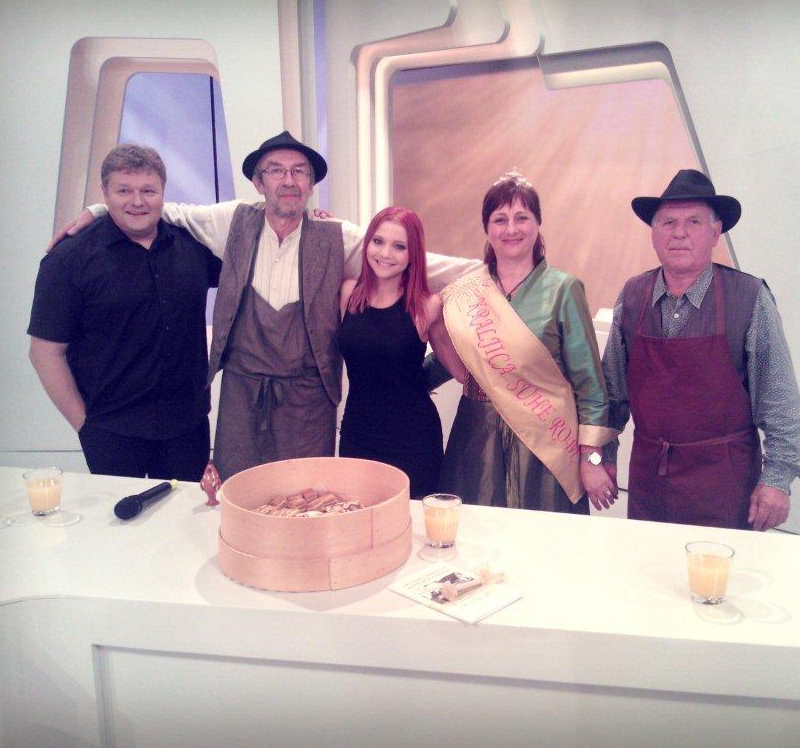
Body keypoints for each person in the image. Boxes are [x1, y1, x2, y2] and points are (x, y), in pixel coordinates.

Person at [55, 131, 476, 480]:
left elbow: (419, 261)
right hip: (242, 395)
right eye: (275, 170)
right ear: (258, 182)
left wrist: (494, 271)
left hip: (309, 399)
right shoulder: (230, 220)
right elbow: (165, 210)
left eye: (299, 171)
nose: (288, 180)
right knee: (239, 496)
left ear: (310, 184)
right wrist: (99, 209)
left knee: (308, 497)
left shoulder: (337, 236)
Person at [601, 169, 800, 531]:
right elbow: (611, 393)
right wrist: (600, 454)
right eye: (668, 222)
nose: (679, 232)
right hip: (649, 479)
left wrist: (778, 478)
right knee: (648, 564)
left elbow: (780, 399)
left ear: (715, 233)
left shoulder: (749, 299)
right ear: (653, 234)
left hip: (725, 484)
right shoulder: (633, 296)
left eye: (694, 221)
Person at [28, 144, 221, 481]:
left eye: (148, 191)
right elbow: (45, 352)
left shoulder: (195, 246)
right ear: (105, 193)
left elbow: (254, 245)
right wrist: (85, 425)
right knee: (120, 516)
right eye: (124, 191)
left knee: (183, 514)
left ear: (163, 192)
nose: (137, 201)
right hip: (112, 430)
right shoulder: (68, 259)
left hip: (187, 425)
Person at [437, 172, 619, 514]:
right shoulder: (467, 293)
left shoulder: (563, 290)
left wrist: (592, 458)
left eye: (522, 217)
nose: (511, 229)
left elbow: (590, 386)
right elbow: (445, 362)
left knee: (544, 538)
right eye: (500, 219)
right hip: (476, 438)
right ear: (486, 228)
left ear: (538, 223)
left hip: (544, 446)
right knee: (476, 536)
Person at [338, 206, 467, 498]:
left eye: (399, 246)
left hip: (413, 439)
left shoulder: (427, 306)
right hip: (358, 432)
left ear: (413, 254)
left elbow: (460, 371)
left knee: (414, 522)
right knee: (357, 515)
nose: (385, 253)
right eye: (378, 241)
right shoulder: (347, 294)